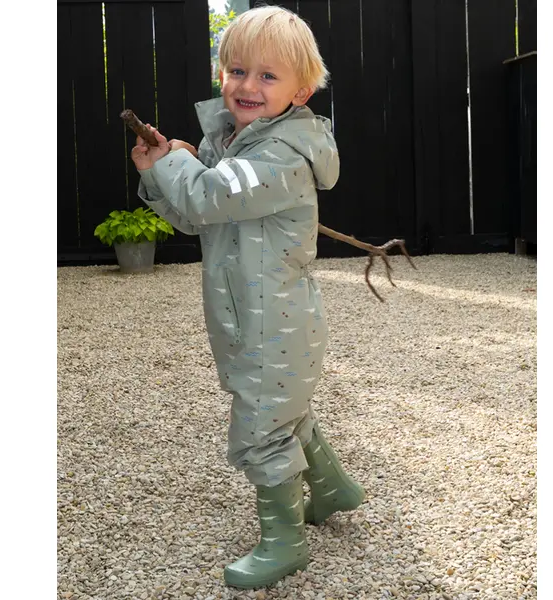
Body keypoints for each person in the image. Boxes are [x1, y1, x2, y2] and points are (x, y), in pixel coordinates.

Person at [130, 5, 365, 589]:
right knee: (281, 410)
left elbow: (208, 196)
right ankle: (332, 488)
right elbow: (197, 218)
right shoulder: (236, 144)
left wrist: (178, 164)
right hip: (246, 316)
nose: (247, 85)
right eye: (237, 70)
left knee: (261, 426)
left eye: (267, 76)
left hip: (275, 322)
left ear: (300, 91)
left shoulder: (282, 155)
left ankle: (284, 542)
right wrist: (158, 173)